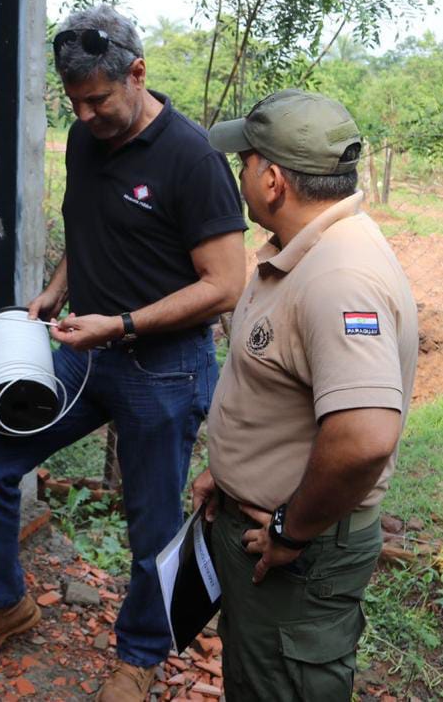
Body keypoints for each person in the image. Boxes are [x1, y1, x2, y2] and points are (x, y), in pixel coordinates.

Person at [0, 4, 248, 702]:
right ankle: (1, 602)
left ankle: (138, 654)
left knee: (150, 524)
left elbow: (225, 285)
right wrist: (56, 288)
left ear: (136, 73)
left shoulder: (191, 158)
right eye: (73, 102)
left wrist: (120, 323)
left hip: (163, 368)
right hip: (87, 350)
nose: (82, 117)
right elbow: (83, 226)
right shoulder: (86, 140)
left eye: (96, 101)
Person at [191, 90, 417, 701]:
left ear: (270, 179)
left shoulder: (340, 276)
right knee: (257, 673)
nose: (239, 173)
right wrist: (233, 473)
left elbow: (364, 437)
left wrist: (292, 529)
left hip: (301, 548)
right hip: (263, 522)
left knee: (284, 685)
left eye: (245, 161)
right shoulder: (308, 252)